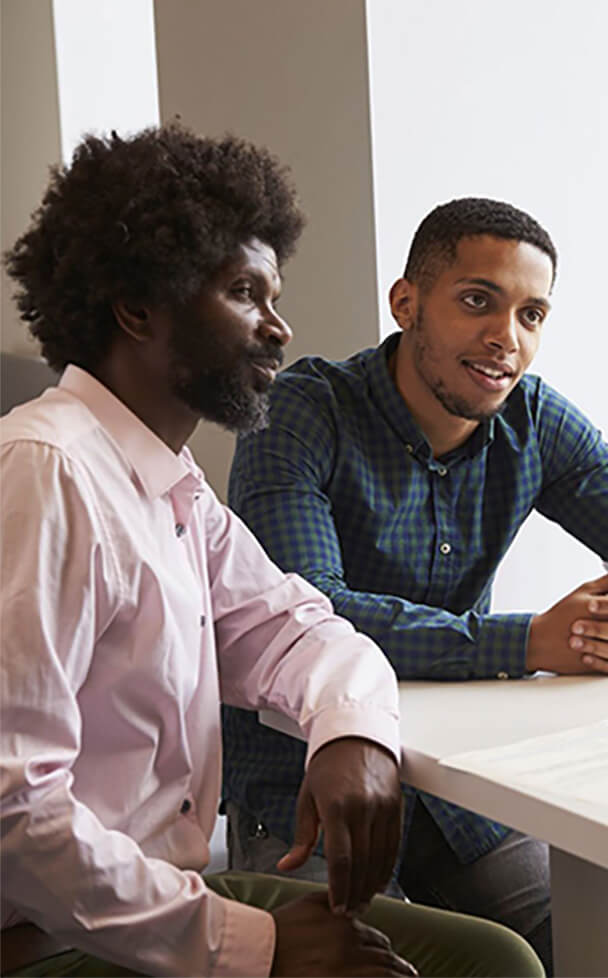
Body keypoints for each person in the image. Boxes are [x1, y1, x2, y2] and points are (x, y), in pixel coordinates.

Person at [0, 125, 543, 978]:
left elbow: (297, 627)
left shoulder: (165, 482)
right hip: (48, 939)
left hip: (148, 905)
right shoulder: (48, 472)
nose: (279, 328)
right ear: (139, 307)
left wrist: (351, 734)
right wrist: (256, 946)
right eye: (245, 293)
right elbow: (12, 812)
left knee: (496, 958)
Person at [220, 196, 608, 969]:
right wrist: (530, 641)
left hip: (463, 791)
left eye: (532, 314)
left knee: (596, 950)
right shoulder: (302, 413)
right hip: (309, 785)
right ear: (406, 303)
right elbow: (307, 612)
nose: (506, 339)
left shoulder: (538, 421)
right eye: (478, 301)